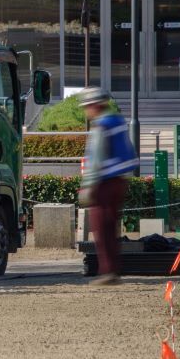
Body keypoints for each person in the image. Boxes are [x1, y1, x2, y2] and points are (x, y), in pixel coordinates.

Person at [79, 87, 138, 285]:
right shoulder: (118, 120)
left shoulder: (101, 125)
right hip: (120, 179)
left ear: (95, 105)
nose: (86, 110)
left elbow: (96, 157)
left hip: (104, 182)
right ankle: (114, 271)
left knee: (101, 229)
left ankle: (108, 272)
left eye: (87, 106)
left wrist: (88, 186)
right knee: (112, 227)